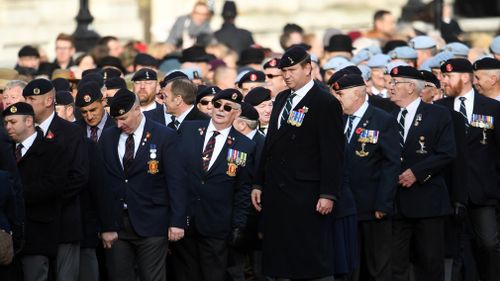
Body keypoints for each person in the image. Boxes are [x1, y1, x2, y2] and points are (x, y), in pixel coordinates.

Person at [251, 46, 344, 280]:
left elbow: (333, 153)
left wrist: (328, 193)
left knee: (309, 259)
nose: (287, 75)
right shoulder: (282, 98)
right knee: (279, 259)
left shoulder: (324, 102)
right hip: (277, 190)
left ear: (308, 68)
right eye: (284, 71)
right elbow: (270, 143)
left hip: (307, 193)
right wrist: (258, 183)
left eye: (292, 69)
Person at [99, 88, 187, 281]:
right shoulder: (108, 137)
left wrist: (177, 221)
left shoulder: (164, 136)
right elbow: (102, 183)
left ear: (138, 110)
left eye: (123, 118)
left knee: (152, 277)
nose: (119, 124)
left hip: (153, 222)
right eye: (115, 119)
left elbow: (176, 181)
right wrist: (105, 225)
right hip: (117, 224)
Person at [172, 88, 255, 281]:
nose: (220, 110)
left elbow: (243, 189)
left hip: (217, 226)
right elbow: (174, 174)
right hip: (184, 222)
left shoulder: (244, 145)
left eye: (228, 107)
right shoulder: (189, 129)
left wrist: (238, 226)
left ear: (237, 113)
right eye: (217, 104)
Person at [388, 65, 456, 281]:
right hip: (395, 203)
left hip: (428, 201)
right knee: (395, 264)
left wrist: (417, 173)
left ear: (410, 87)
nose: (390, 87)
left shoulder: (438, 114)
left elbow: (447, 153)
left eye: (395, 84)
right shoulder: (388, 117)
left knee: (429, 263)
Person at [331, 73, 400, 281]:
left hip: (372, 208)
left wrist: (383, 203)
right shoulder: (336, 120)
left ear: (357, 94)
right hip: (343, 207)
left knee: (377, 266)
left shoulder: (382, 120)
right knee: (349, 267)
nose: (337, 99)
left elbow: (390, 165)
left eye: (340, 94)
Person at [436, 58, 500, 281]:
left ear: (465, 77)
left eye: (448, 76)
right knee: (455, 249)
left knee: (488, 244)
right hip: (450, 191)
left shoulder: (492, 108)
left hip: (482, 190)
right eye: (443, 76)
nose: (443, 81)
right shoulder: (439, 109)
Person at [23, 79, 88, 281]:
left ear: (49, 100)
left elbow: (79, 175)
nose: (27, 103)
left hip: (64, 219)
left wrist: (50, 199)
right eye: (26, 99)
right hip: (33, 223)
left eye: (32, 99)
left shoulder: (72, 131)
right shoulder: (23, 131)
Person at [3, 102, 68, 281]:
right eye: (6, 122)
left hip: (38, 232)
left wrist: (16, 194)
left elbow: (54, 185)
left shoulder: (52, 149)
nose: (8, 127)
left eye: (13, 122)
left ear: (29, 121)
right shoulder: (6, 151)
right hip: (9, 236)